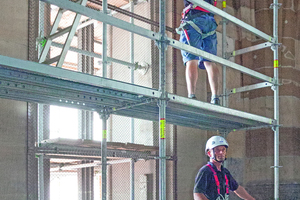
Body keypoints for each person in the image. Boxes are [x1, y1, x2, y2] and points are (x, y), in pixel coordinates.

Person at [178, 0, 220, 105]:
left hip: (194, 17)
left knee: (191, 58)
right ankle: (215, 97)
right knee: (210, 61)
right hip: (210, 20)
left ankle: (191, 95)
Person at [194, 136, 256, 200]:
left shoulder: (224, 172)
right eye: (217, 150)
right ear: (209, 153)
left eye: (223, 149)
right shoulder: (205, 171)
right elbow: (197, 194)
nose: (221, 152)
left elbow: (237, 188)